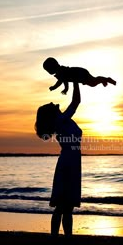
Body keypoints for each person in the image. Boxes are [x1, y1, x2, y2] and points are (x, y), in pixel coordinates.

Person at [35, 82, 82, 236]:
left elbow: (76, 103)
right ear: (51, 113)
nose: (54, 103)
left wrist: (75, 83)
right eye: (51, 104)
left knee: (66, 206)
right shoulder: (60, 120)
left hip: (71, 161)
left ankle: (62, 236)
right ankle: (57, 237)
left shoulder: (62, 120)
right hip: (69, 161)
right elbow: (75, 103)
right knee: (63, 205)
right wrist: (75, 83)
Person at [43, 57, 116, 95]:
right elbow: (63, 80)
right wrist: (57, 88)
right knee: (93, 81)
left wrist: (62, 89)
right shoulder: (60, 72)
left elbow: (62, 81)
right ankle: (103, 80)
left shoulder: (61, 72)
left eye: (48, 70)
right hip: (81, 73)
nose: (48, 72)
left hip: (81, 73)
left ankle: (106, 79)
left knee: (93, 83)